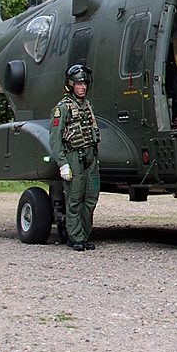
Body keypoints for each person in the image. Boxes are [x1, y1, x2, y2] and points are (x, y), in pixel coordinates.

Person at [49, 65, 100, 252]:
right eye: (79, 83)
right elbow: (55, 139)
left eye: (84, 83)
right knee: (75, 198)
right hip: (73, 157)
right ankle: (75, 237)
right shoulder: (62, 109)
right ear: (71, 85)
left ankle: (83, 236)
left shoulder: (88, 106)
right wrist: (63, 163)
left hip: (90, 158)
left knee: (91, 197)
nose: (82, 87)